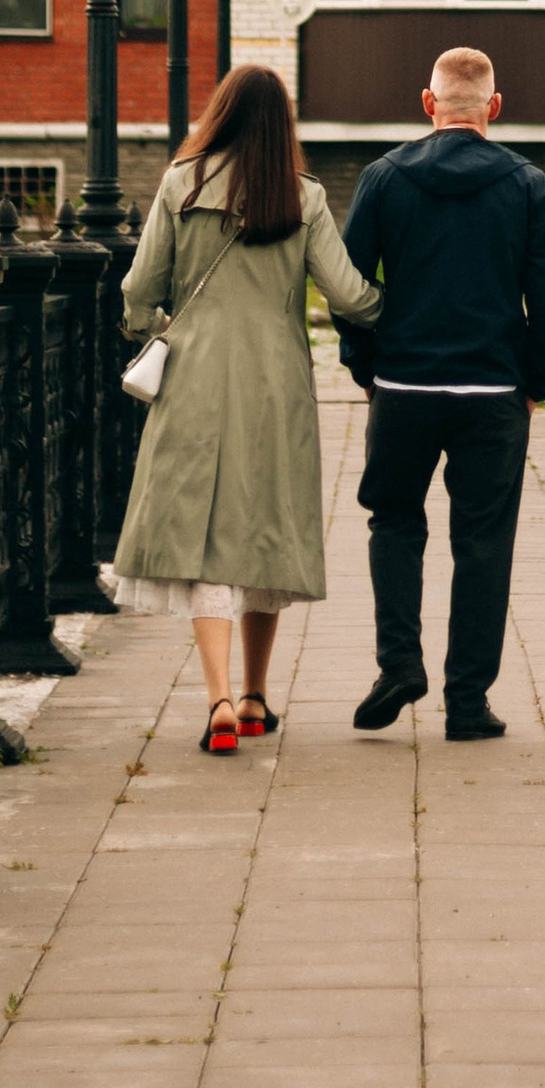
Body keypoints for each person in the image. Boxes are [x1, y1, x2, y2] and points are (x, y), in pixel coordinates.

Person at [113, 61, 380, 755]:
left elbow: (139, 290)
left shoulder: (182, 183)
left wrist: (153, 328)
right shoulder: (304, 196)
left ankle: (221, 699)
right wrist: (405, 312)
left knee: (206, 540)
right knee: (265, 529)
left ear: (222, 113)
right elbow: (349, 296)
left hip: (195, 379)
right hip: (277, 384)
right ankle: (260, 694)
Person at [337, 42, 545, 742]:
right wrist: (533, 380)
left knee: (394, 520)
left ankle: (398, 662)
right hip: (491, 391)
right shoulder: (527, 183)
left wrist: (367, 369)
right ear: (493, 107)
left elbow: (350, 288)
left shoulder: (383, 177)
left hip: (404, 385)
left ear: (428, 103)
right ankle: (468, 703)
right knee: (483, 544)